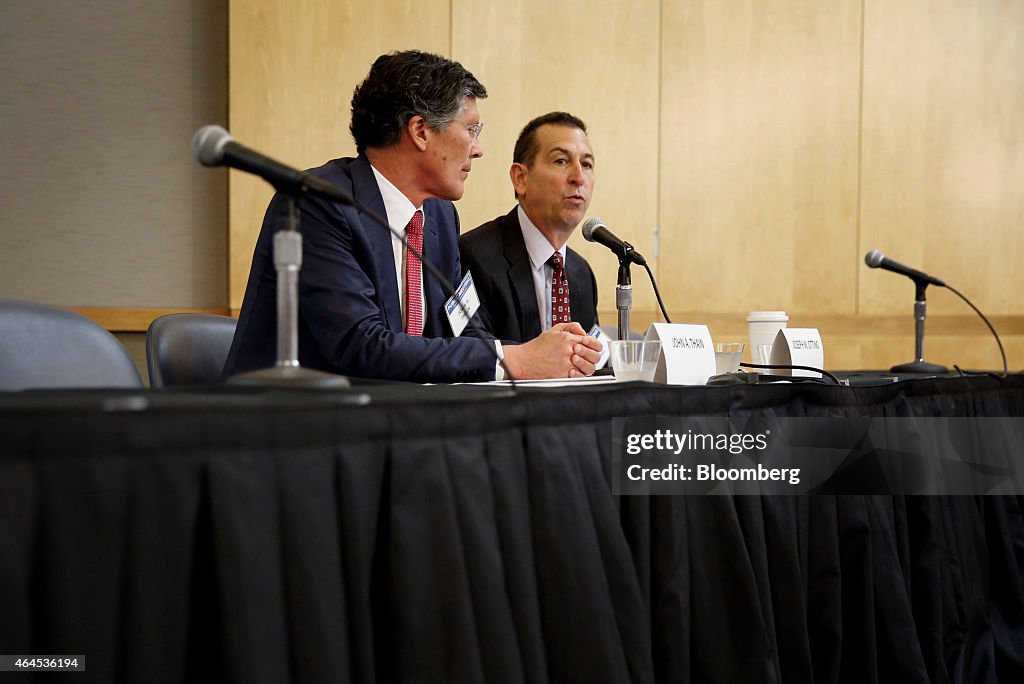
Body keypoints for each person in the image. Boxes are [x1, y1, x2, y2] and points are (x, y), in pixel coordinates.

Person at [222, 51, 601, 383]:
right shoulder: (319, 204)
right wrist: (513, 360)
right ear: (420, 131)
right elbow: (360, 346)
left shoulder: (439, 217)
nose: (479, 149)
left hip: (391, 426)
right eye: (471, 130)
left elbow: (465, 330)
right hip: (290, 434)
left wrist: (547, 354)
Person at [459, 112, 599, 343]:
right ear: (520, 178)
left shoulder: (581, 274)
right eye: (561, 161)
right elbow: (472, 351)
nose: (578, 177)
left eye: (586, 164)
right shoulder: (475, 256)